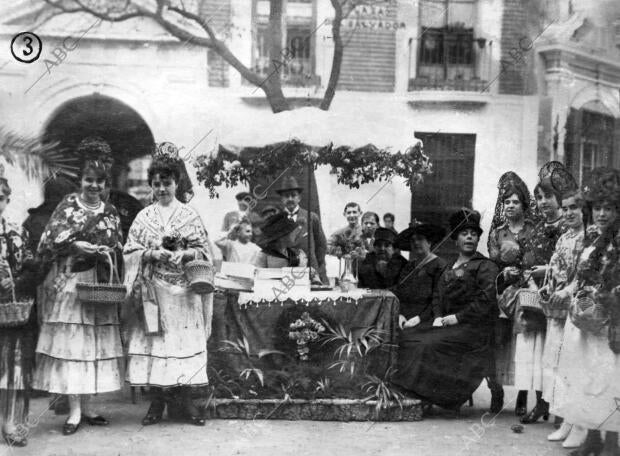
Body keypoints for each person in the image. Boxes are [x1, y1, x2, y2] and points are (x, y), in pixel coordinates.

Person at [32, 160, 124, 436]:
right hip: (71, 282)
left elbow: (117, 241)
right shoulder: (68, 206)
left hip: (98, 282)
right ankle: (73, 411)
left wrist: (105, 249)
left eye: (99, 181)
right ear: (81, 181)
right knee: (74, 346)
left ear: (106, 185)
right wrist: (74, 244)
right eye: (88, 180)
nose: (94, 186)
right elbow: (49, 239)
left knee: (93, 345)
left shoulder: (110, 211)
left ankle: (89, 407)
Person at [123, 144, 213, 427]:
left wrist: (184, 254)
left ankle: (185, 402)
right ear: (151, 185)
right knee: (158, 347)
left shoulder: (189, 215)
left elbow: (204, 251)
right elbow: (129, 251)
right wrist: (151, 253)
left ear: (177, 183)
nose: (162, 188)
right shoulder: (143, 216)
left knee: (181, 345)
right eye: (157, 183)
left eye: (168, 183)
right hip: (155, 293)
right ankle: (157, 403)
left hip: (184, 292)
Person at [392, 209, 499, 410]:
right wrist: (438, 316)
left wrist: (457, 318)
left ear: (477, 239)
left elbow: (485, 301)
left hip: (471, 328)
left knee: (426, 345)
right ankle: (413, 394)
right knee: (409, 338)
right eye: (463, 234)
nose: (469, 237)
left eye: (473, 234)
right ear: (455, 240)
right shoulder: (448, 267)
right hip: (447, 325)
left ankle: (427, 396)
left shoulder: (485, 266)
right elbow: (437, 296)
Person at [553, 168, 620, 455]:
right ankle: (592, 436)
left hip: (613, 320)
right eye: (598, 208)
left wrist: (608, 295)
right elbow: (582, 276)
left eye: (609, 208)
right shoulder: (595, 240)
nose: (602, 214)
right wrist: (573, 293)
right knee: (588, 376)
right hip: (591, 320)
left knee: (611, 380)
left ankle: (613, 442)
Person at [516, 164, 568, 425]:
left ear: (559, 200)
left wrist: (547, 274)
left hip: (558, 296)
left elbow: (567, 263)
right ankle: (540, 403)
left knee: (556, 353)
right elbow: (526, 262)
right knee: (535, 354)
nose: (543, 202)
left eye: (548, 196)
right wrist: (530, 281)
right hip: (535, 295)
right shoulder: (535, 229)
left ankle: (559, 408)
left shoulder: (565, 228)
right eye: (539, 198)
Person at [487, 172, 535, 415]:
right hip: (503, 290)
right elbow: (492, 266)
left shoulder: (533, 231)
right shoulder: (497, 234)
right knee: (491, 334)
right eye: (507, 202)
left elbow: (536, 262)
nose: (510, 206)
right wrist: (503, 274)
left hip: (527, 290)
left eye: (515, 202)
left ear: (524, 205)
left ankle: (523, 394)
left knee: (525, 337)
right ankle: (496, 390)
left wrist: (523, 271)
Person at [542, 189, 586, 446]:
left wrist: (567, 291)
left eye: (574, 208)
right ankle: (567, 419)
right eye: (566, 208)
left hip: (578, 306)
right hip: (558, 309)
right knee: (559, 365)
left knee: (575, 365)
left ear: (583, 211)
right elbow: (555, 267)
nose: (568, 213)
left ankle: (579, 423)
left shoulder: (587, 238)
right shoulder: (564, 237)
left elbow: (583, 274)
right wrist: (550, 285)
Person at [0, 171, 38, 447]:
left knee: (9, 370)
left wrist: (16, 279)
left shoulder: (15, 232)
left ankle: (9, 422)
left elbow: (29, 267)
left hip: (7, 310)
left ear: (7, 199)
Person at [392, 221, 447, 330]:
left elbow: (439, 299)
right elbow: (400, 293)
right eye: (412, 240)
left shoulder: (440, 265)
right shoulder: (408, 266)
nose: (416, 243)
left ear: (429, 242)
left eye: (420, 239)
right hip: (404, 319)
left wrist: (419, 318)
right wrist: (400, 314)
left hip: (428, 319)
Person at [276, 177, 327, 283]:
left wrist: (317, 270)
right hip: (283, 275)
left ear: (299, 198)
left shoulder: (311, 217)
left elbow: (321, 247)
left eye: (293, 195)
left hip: (309, 274)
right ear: (281, 199)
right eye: (286, 196)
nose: (290, 199)